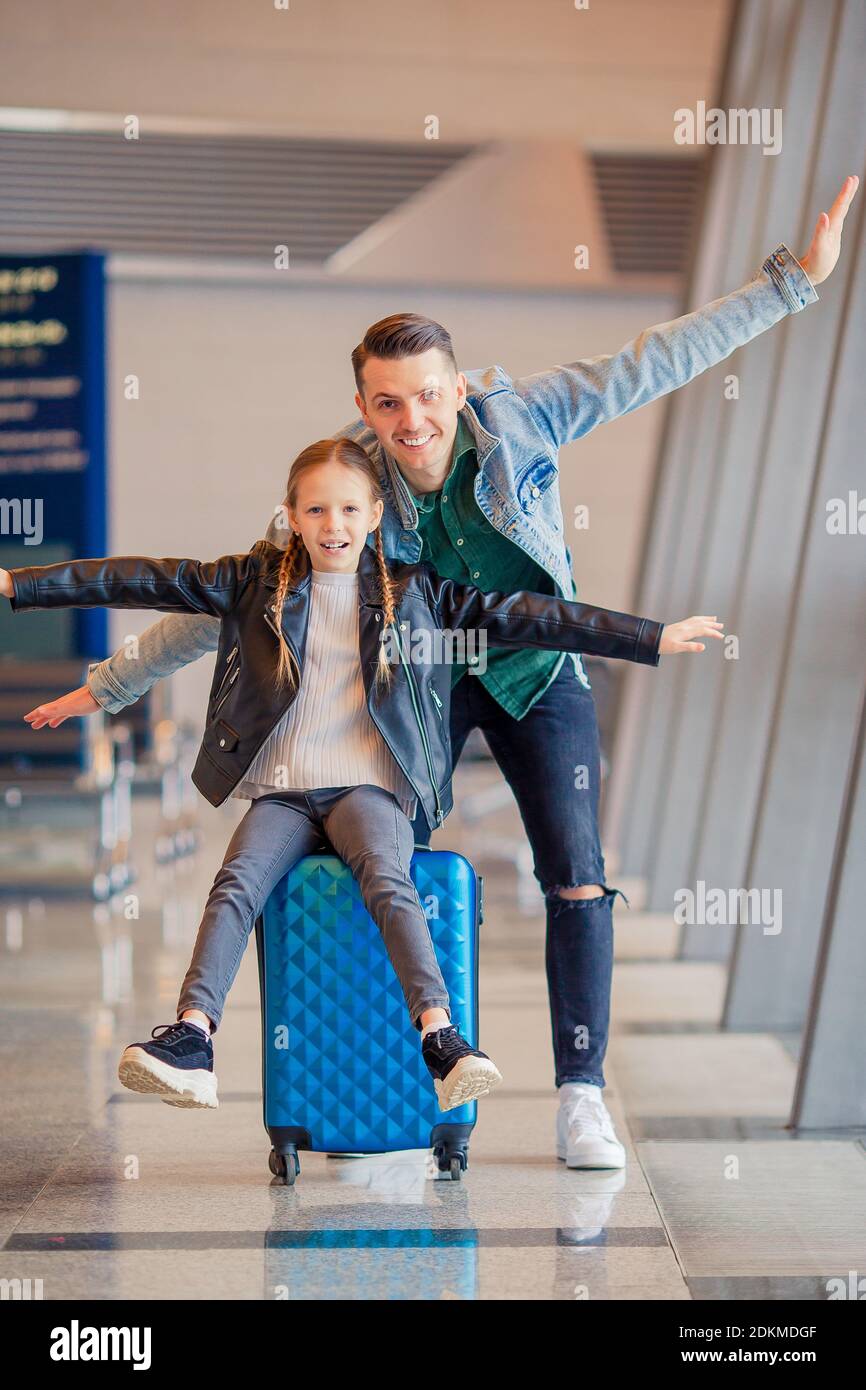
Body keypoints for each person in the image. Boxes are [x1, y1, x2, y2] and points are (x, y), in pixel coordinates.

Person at [22, 172, 857, 1168]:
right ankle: (363, 1084)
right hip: (418, 686)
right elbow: (238, 599)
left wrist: (791, 284)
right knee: (356, 858)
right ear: (363, 407)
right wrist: (111, 686)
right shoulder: (344, 481)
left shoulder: (527, 419)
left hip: (533, 673)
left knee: (576, 877)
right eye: (386, 403)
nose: (409, 420)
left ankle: (579, 1096)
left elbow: (655, 361)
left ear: (456, 390)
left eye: (426, 397)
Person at [3, 438, 721, 1117]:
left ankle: (442, 1038)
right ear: (291, 517)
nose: (332, 524)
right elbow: (137, 578)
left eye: (349, 509)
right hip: (284, 787)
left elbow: (534, 615)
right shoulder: (252, 581)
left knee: (387, 873)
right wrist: (17, 585)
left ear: (376, 515)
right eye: (315, 509)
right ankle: (192, 1036)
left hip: (365, 788)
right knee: (236, 883)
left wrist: (648, 636)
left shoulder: (420, 594)